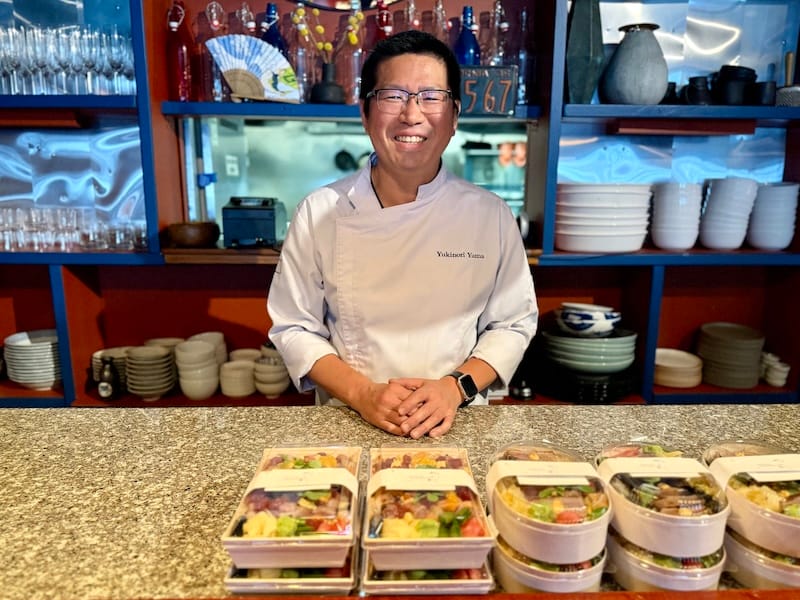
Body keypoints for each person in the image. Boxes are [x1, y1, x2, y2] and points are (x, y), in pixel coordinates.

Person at [267, 30, 538, 439]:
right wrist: (364, 394)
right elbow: (294, 328)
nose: (412, 115)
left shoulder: (490, 215)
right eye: (393, 96)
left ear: (454, 118)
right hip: (350, 418)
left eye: (431, 97)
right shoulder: (319, 211)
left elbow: (513, 324)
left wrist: (453, 388)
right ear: (364, 113)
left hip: (458, 419)